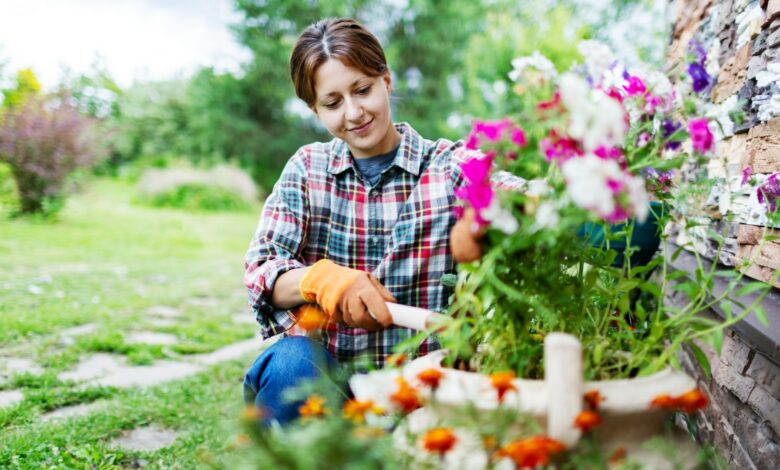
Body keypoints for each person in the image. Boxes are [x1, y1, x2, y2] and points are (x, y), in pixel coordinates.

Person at [242, 17, 524, 425]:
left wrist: (513, 205)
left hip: (424, 397)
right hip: (329, 397)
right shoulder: (307, 169)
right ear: (315, 109)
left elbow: (519, 193)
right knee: (289, 364)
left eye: (362, 90)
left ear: (386, 81)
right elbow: (260, 271)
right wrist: (319, 279)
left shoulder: (447, 166)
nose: (354, 112)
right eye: (333, 102)